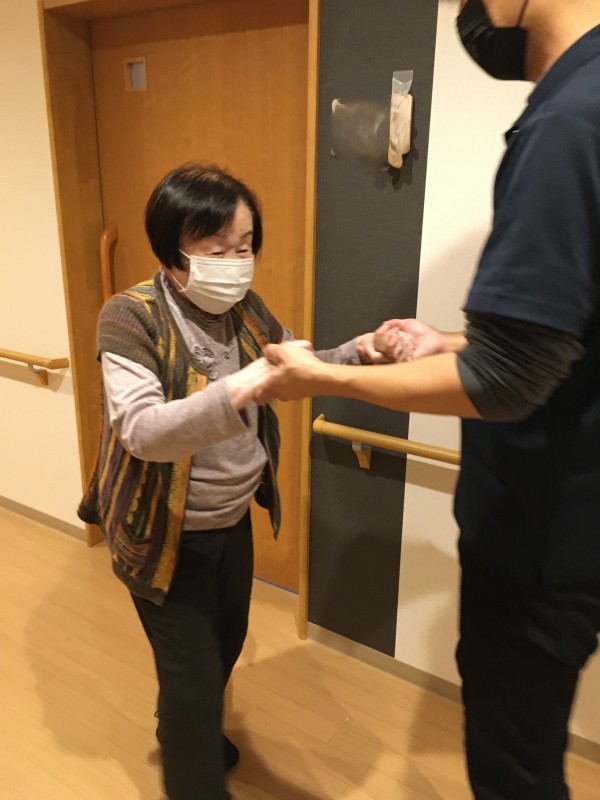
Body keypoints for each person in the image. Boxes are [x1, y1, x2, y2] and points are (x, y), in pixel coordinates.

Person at [258, 2, 600, 798]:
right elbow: (566, 334)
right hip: (575, 520)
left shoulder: (568, 123)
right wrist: (451, 341)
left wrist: (322, 380)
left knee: (514, 768)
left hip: (545, 535)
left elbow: (507, 381)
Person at [77, 163, 405, 800]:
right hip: (163, 533)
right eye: (215, 248)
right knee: (195, 681)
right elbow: (141, 430)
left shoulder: (245, 309)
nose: (235, 262)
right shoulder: (129, 317)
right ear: (172, 251)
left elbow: (293, 367)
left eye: (245, 246)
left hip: (230, 522)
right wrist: (242, 386)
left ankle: (184, 726)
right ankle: (191, 758)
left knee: (223, 647)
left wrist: (360, 350)